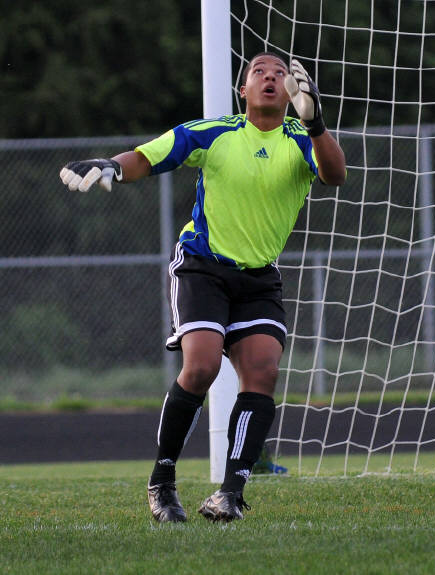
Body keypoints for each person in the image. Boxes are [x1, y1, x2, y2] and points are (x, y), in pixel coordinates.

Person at [60, 52, 346, 523]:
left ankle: (229, 493)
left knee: (263, 372)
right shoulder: (216, 132)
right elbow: (150, 155)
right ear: (243, 91)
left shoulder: (301, 141)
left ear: (294, 91)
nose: (270, 77)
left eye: (280, 73)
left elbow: (335, 174)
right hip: (201, 268)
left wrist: (316, 123)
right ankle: (161, 482)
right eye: (259, 72)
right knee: (202, 366)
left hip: (259, 278)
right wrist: (112, 165)